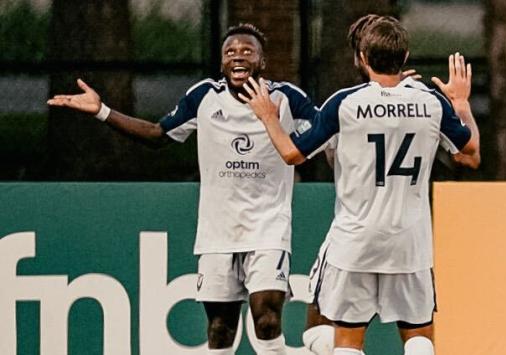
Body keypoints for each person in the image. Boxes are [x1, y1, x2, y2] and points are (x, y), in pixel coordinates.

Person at [47, 23, 319, 355]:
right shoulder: (203, 96)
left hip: (269, 228)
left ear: (262, 61)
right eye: (230, 52)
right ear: (221, 64)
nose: (238, 57)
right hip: (218, 232)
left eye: (247, 51)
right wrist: (102, 111)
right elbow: (157, 134)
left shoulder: (287, 98)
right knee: (220, 328)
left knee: (266, 321)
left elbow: (324, 134)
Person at [240, 17, 480, 355]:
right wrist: (461, 105)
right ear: (406, 55)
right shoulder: (431, 103)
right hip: (410, 242)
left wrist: (267, 116)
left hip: (355, 240)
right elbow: (471, 156)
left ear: (363, 58)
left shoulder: (344, 103)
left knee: (346, 340)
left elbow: (293, 154)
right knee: (420, 339)